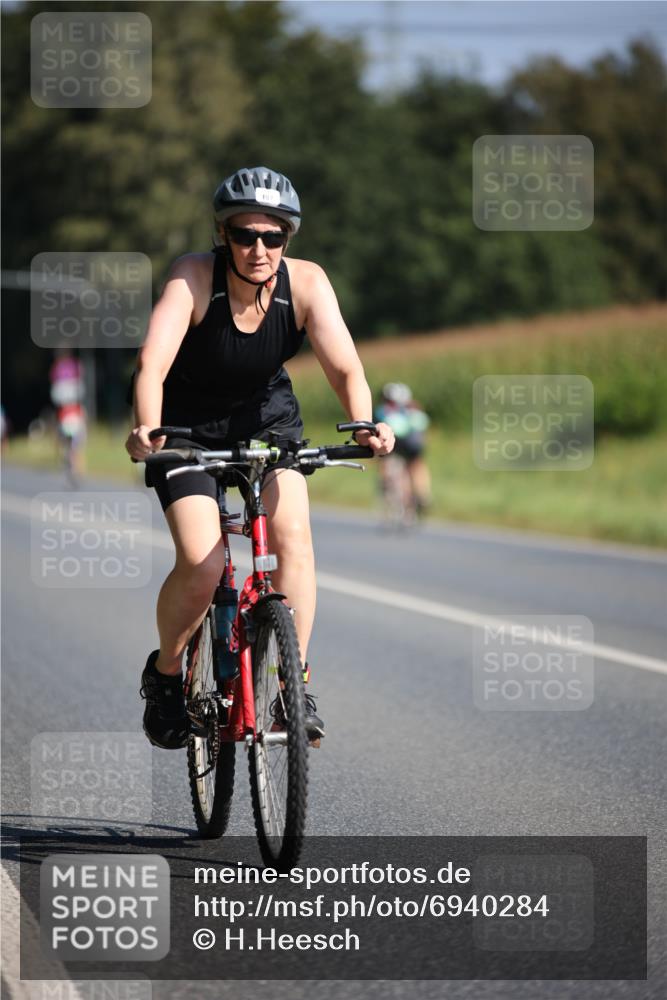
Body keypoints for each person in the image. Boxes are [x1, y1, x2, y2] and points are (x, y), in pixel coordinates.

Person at [125, 166, 395, 750]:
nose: (259, 249)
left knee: (293, 537)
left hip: (268, 422)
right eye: (245, 235)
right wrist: (148, 427)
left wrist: (365, 422)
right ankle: (167, 675)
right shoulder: (194, 277)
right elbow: (152, 364)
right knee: (203, 563)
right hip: (185, 428)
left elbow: (346, 367)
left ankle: (292, 689)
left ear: (287, 239)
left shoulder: (307, 283)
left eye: (273, 237)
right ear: (223, 235)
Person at [374, 382, 431, 517]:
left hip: (394, 443)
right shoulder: (414, 408)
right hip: (413, 442)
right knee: (416, 464)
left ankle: (386, 484)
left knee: (384, 459)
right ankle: (423, 494)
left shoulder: (382, 410)